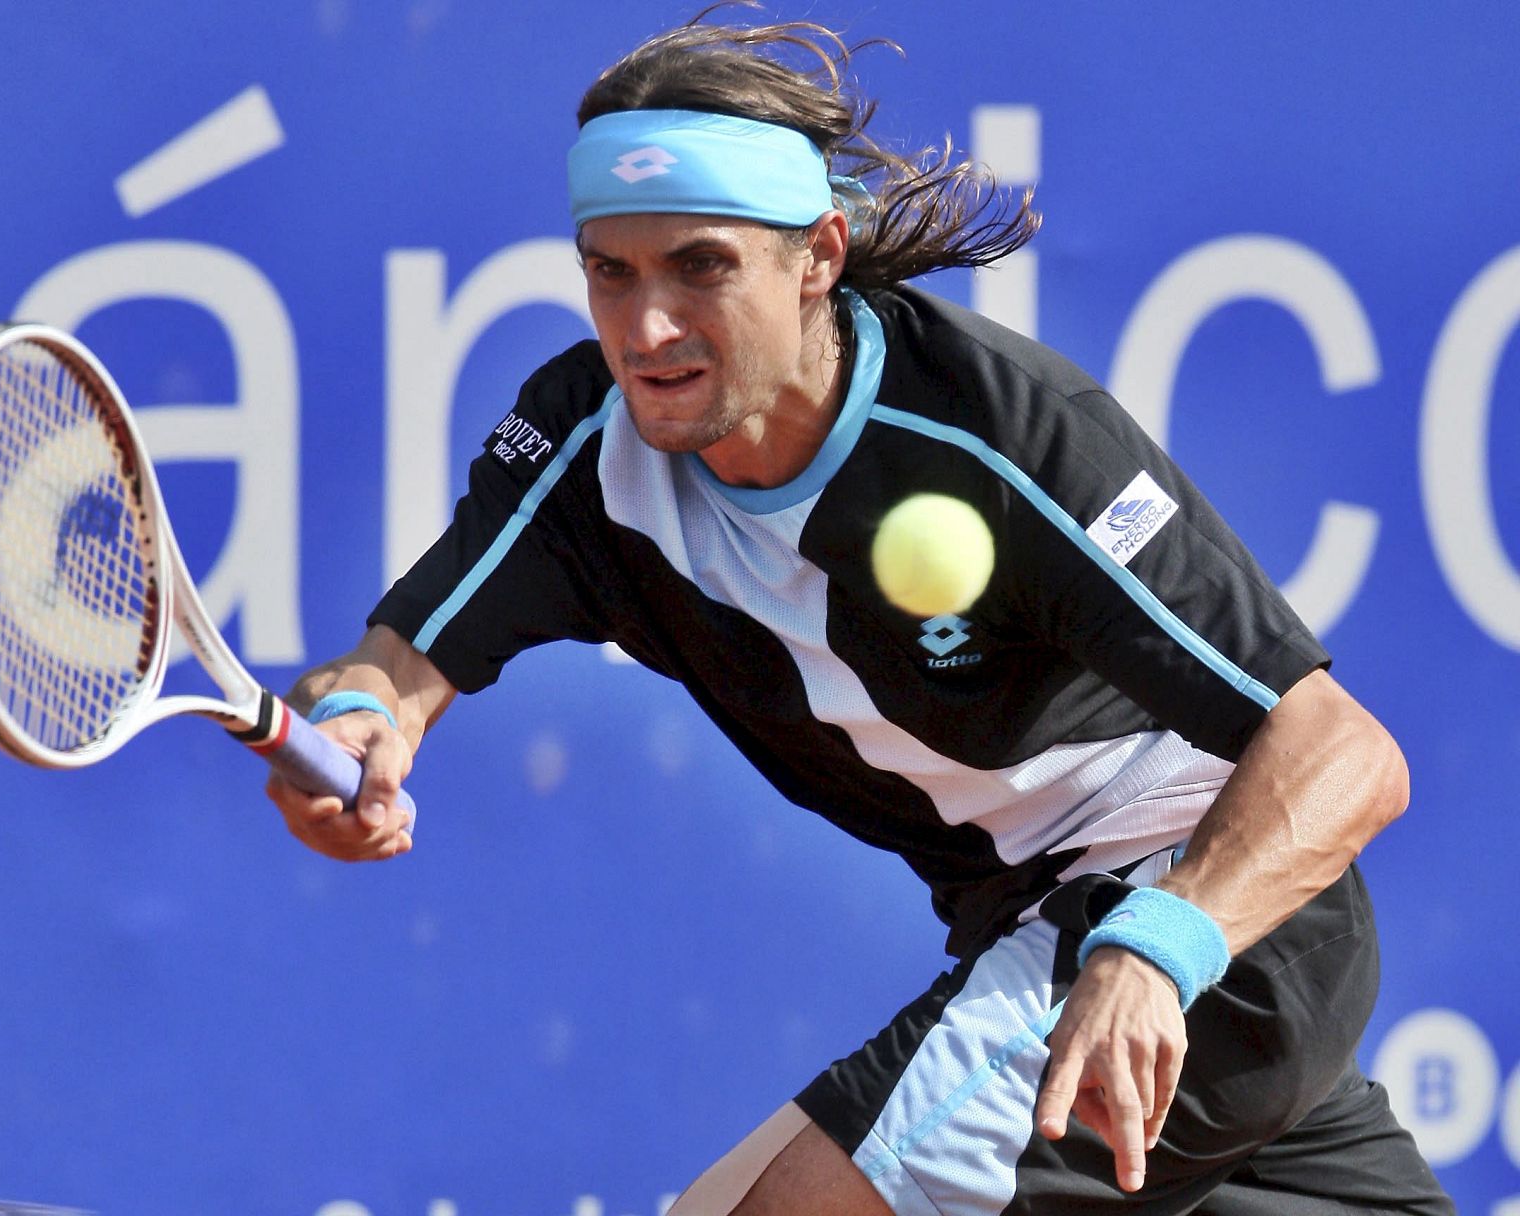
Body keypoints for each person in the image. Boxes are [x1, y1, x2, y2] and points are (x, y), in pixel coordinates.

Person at [266, 14, 1454, 1215]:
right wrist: (358, 722)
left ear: (819, 255)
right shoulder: (585, 452)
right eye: (608, 270)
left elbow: (1342, 751)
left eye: (702, 265)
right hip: (1042, 934)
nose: (646, 329)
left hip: (1202, 922)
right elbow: (389, 667)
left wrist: (1156, 947)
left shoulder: (1001, 432)